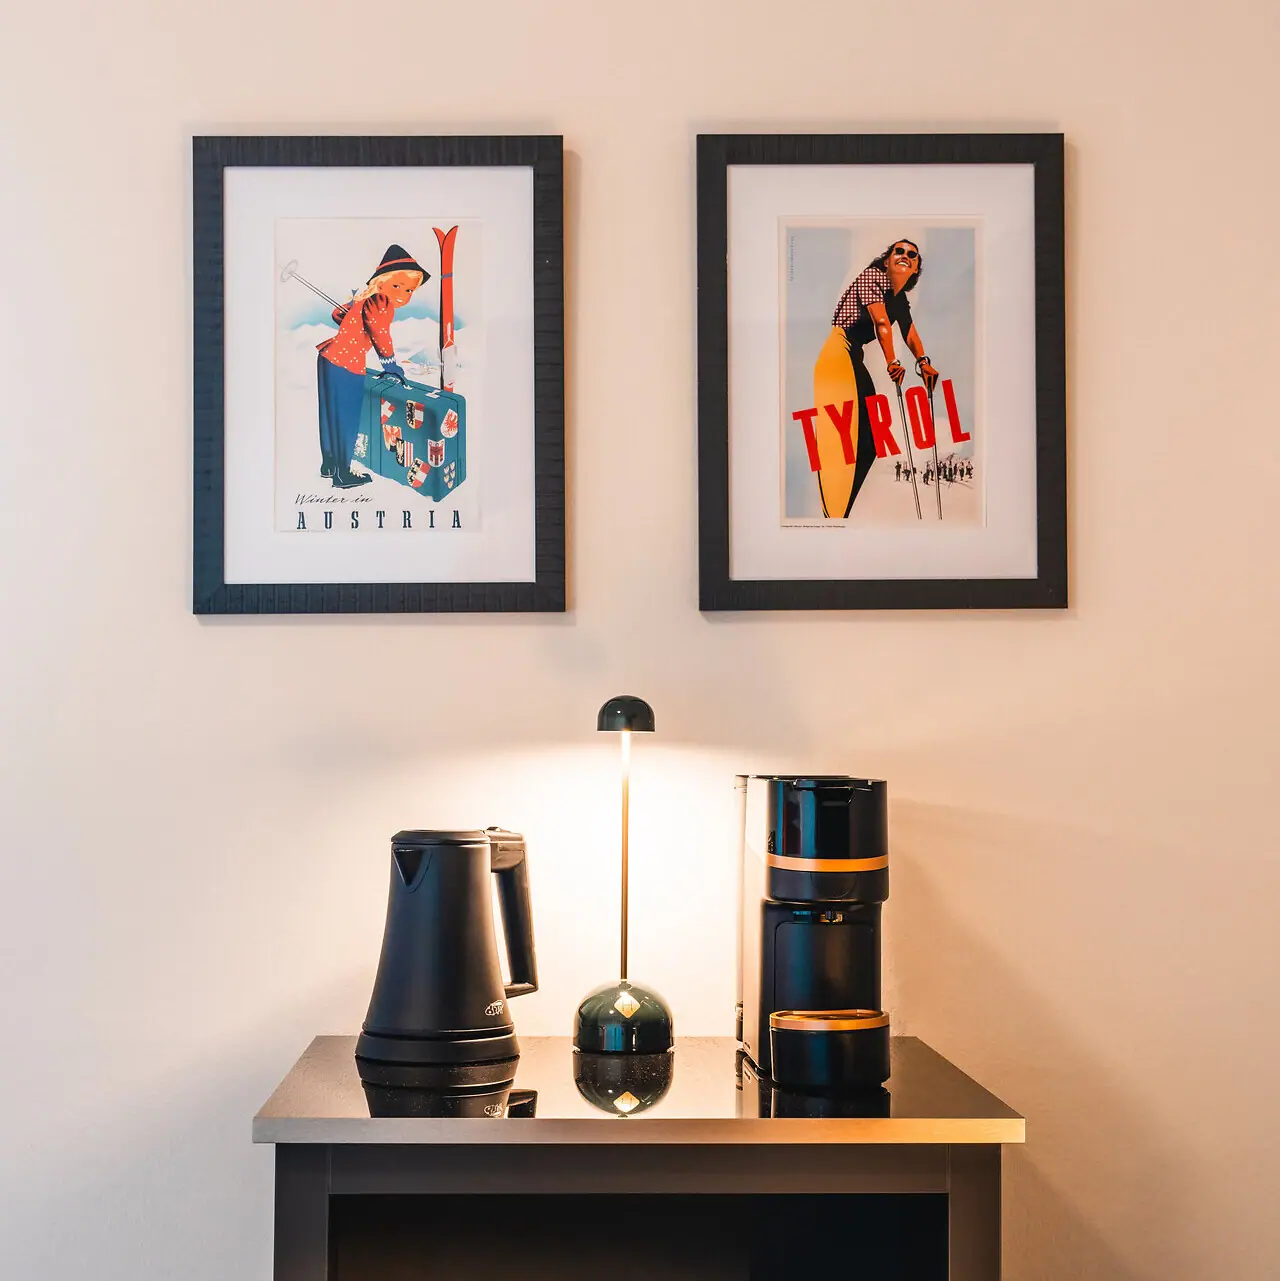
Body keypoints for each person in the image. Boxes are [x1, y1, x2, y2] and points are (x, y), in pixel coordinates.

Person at [812, 240, 942, 516]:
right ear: (886, 260)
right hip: (837, 353)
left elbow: (909, 331)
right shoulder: (872, 277)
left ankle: (839, 514)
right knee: (841, 439)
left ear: (915, 268)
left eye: (912, 255)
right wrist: (892, 362)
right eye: (899, 251)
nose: (905, 256)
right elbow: (881, 322)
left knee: (871, 439)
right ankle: (833, 516)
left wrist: (923, 362)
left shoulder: (898, 299)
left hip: (853, 357)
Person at [316, 244, 430, 489]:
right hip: (347, 364)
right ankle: (342, 474)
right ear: (381, 282)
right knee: (346, 417)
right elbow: (380, 333)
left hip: (328, 358)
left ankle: (329, 465)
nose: (403, 294)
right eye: (397, 286)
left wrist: (353, 307)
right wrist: (391, 365)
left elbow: (337, 315)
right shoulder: (380, 302)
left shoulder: (365, 300)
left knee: (329, 413)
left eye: (409, 290)